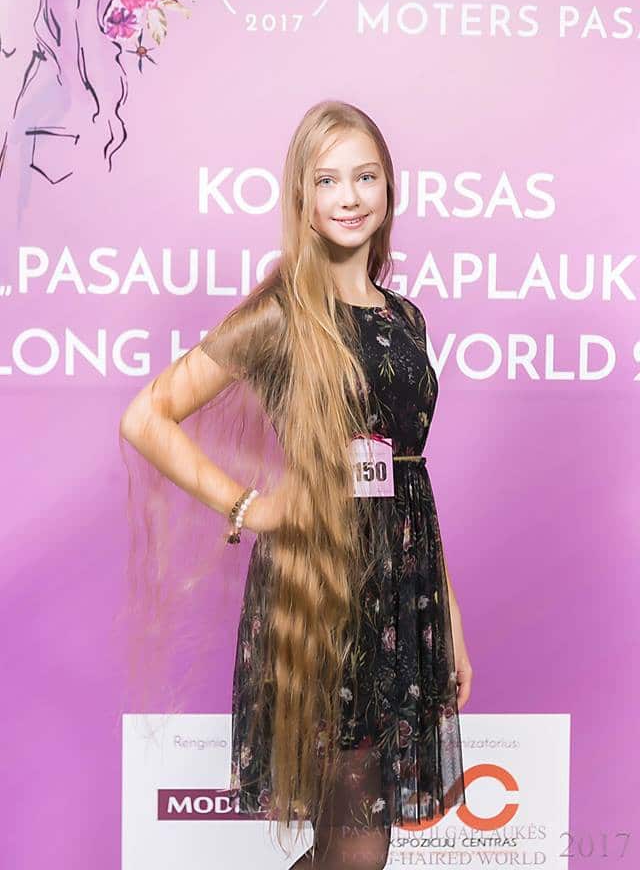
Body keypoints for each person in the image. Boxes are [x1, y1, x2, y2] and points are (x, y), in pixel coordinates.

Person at [119, 99, 472, 868]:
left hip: (400, 589)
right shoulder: (282, 313)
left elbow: (414, 478)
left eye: (367, 176)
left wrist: (448, 621)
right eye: (329, 179)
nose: (350, 196)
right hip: (319, 589)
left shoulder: (407, 318)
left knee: (355, 837)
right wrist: (248, 505)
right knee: (356, 846)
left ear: (388, 190)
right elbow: (147, 416)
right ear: (303, 201)